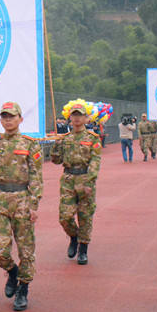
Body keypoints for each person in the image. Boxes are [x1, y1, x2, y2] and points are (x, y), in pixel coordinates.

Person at [0, 102, 43, 312]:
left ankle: (23, 289)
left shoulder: (30, 144)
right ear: (0, 120)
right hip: (1, 197)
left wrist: (33, 205)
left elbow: (37, 177)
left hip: (22, 197)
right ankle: (13, 272)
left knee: (25, 248)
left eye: (12, 116)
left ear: (20, 119)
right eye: (4, 117)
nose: (8, 120)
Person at [51, 102, 101, 267]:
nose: (77, 118)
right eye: (74, 115)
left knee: (85, 215)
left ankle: (83, 249)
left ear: (86, 118)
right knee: (64, 217)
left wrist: (90, 181)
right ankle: (74, 237)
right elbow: (56, 161)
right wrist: (56, 146)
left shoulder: (92, 138)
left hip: (85, 178)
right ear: (70, 118)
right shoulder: (65, 139)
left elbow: (95, 161)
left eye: (80, 115)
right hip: (68, 179)